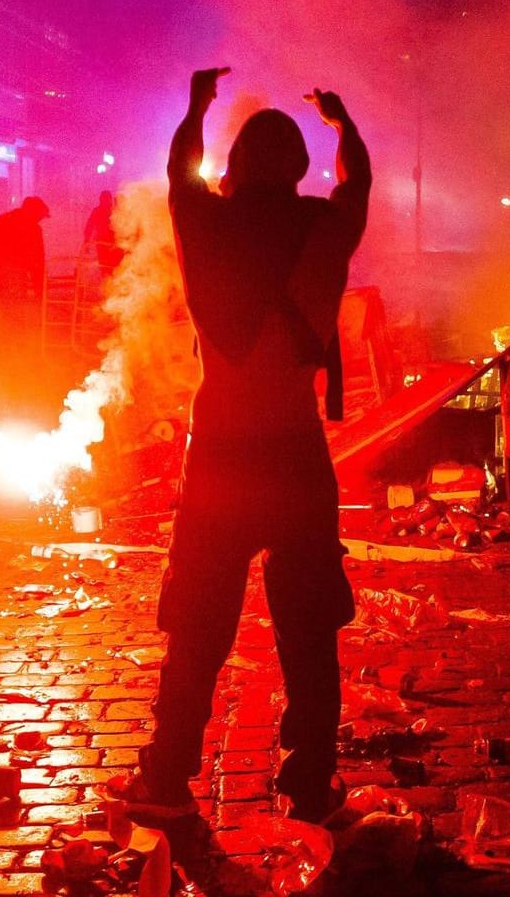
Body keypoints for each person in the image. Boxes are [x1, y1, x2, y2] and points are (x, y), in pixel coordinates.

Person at [119, 68, 369, 824]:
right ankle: (308, 779)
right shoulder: (326, 230)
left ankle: (167, 776)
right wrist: (343, 121)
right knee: (308, 629)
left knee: (196, 622)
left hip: (222, 453)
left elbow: (177, 170)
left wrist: (195, 107)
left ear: (234, 168)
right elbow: (359, 182)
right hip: (294, 452)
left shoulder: (205, 225)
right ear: (298, 170)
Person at [83, 190, 126, 274]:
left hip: (113, 244)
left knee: (114, 267)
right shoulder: (98, 211)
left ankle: (112, 283)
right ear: (101, 200)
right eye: (104, 199)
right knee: (105, 267)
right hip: (103, 244)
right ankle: (107, 284)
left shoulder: (114, 211)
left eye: (107, 199)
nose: (105, 201)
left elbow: (123, 225)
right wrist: (86, 241)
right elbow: (89, 226)